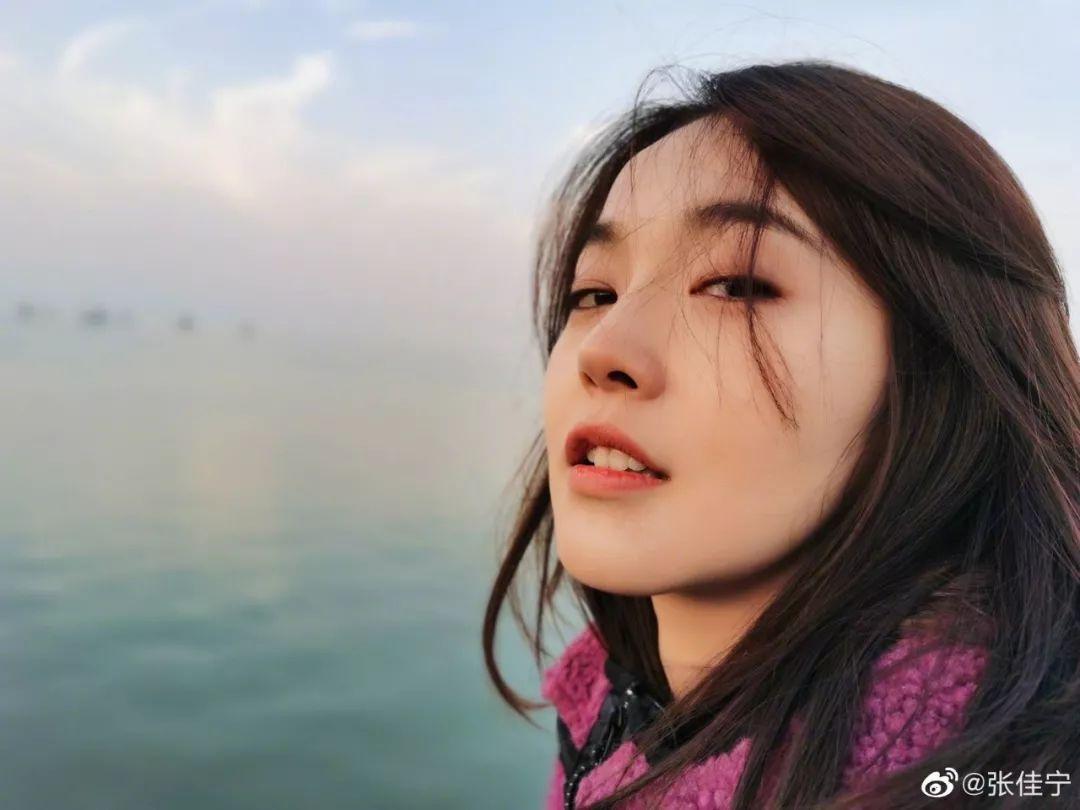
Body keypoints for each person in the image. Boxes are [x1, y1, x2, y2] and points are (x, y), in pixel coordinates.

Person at [481, 60, 1079, 809]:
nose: (603, 349)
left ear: (943, 373)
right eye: (594, 292)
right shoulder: (613, 707)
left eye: (737, 286)